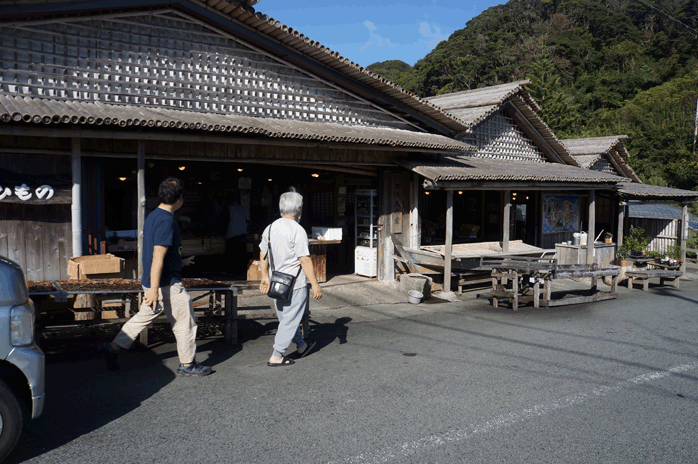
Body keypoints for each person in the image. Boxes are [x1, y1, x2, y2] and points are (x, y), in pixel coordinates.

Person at [99, 177, 212, 377]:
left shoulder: (153, 216)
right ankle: (187, 364)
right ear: (180, 198)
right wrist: (153, 289)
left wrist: (180, 262)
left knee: (143, 317)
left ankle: (113, 348)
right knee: (185, 322)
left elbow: (158, 254)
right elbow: (158, 256)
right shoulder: (166, 220)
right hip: (166, 284)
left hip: (157, 281)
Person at [259, 188, 322, 367]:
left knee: (287, 318)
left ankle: (301, 346)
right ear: (298, 209)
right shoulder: (298, 230)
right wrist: (315, 284)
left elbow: (263, 254)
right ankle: (277, 355)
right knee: (289, 320)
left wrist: (265, 276)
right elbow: (305, 260)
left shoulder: (270, 228)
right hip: (295, 283)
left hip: (276, 282)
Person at [225, 196, 249, 274]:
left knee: (232, 254)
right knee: (241, 254)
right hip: (242, 233)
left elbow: (225, 221)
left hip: (232, 233)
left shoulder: (228, 208)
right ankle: (242, 270)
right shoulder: (242, 208)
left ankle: (231, 271)